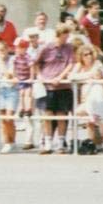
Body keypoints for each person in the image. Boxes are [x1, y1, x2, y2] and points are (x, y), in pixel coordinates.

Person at [34, 24, 77, 154]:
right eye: (64, 36)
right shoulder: (46, 48)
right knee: (47, 115)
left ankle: (61, 142)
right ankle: (47, 142)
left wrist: (60, 77)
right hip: (47, 86)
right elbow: (36, 63)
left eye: (67, 36)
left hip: (62, 85)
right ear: (58, 36)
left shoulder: (69, 48)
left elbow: (70, 64)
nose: (66, 39)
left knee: (61, 114)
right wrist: (40, 76)